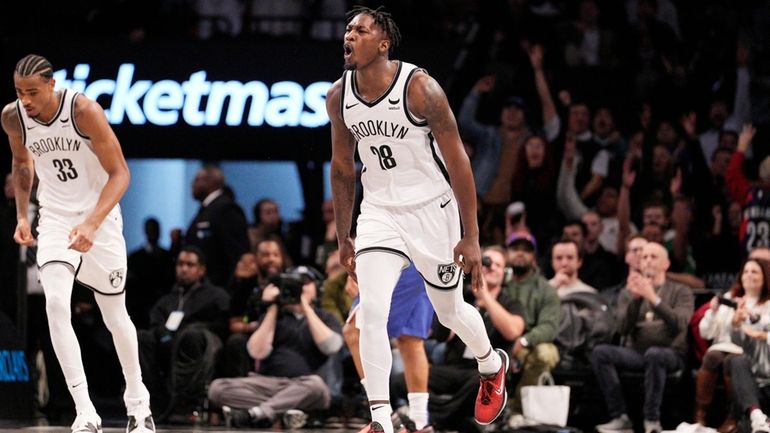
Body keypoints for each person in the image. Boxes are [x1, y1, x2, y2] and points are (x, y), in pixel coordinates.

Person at [326, 7, 509, 433]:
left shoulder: (421, 88)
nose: (349, 36)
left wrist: (471, 236)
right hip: (379, 212)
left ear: (383, 43)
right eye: (348, 29)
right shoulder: (339, 95)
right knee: (371, 312)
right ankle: (380, 421)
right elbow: (341, 168)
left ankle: (490, 363)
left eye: (360, 30)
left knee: (450, 312)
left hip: (433, 209)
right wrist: (344, 234)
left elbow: (459, 161)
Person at [1, 54, 154, 432]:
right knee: (55, 304)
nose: (26, 100)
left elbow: (120, 174)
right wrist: (23, 214)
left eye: (33, 92)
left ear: (52, 85)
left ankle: (138, 403)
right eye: (20, 92)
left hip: (98, 215)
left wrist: (92, 222)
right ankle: (85, 411)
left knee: (115, 317)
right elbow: (22, 165)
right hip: (54, 217)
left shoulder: (83, 110)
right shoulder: (13, 116)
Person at [392, 246, 524, 432]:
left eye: (498, 264)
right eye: (487, 262)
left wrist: (485, 297)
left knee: (477, 383)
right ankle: (452, 419)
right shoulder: (465, 297)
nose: (491, 267)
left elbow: (513, 330)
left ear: (506, 273)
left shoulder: (511, 302)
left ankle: (431, 419)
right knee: (400, 380)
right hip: (454, 367)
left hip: (483, 372)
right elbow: (441, 335)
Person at [207, 267, 343, 428]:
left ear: (317, 288)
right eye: (293, 284)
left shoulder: (326, 317)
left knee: (318, 388)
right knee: (217, 389)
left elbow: (331, 347)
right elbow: (257, 351)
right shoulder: (273, 316)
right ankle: (283, 411)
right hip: (266, 384)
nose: (299, 288)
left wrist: (306, 307)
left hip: (304, 385)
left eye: (304, 284)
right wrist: (271, 307)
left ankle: (255, 413)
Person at [591, 242, 694, 433]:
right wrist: (636, 300)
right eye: (645, 257)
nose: (647, 261)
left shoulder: (681, 291)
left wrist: (653, 299)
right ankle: (619, 417)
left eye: (653, 257)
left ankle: (651, 420)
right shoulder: (628, 293)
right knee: (601, 353)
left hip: (671, 353)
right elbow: (622, 329)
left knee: (655, 354)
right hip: (637, 352)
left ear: (666, 264)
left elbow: (679, 324)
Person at [137, 245, 229, 420]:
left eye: (190, 264)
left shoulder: (216, 296)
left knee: (191, 337)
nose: (184, 269)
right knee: (142, 337)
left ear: (201, 270)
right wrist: (162, 333)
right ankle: (154, 402)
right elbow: (155, 322)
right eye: (180, 264)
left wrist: (187, 329)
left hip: (198, 343)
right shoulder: (167, 299)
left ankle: (185, 404)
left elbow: (221, 325)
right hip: (167, 344)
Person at [344, 262, 434, 432]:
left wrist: (358, 264)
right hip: (427, 254)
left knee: (356, 329)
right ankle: (420, 423)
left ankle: (385, 417)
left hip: (397, 254)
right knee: (410, 338)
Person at [502, 232, 561, 427]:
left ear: (534, 256)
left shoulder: (545, 289)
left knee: (546, 353)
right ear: (507, 253)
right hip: (498, 339)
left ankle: (517, 409)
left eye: (526, 250)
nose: (520, 254)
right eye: (515, 249)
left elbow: (550, 326)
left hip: (528, 343)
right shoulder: (499, 282)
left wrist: (524, 340)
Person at [184, 165, 249, 287]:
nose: (192, 185)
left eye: (197, 180)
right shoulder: (207, 209)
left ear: (211, 182)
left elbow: (235, 255)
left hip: (217, 289)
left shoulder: (226, 209)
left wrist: (227, 293)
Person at [726, 258, 770, 433]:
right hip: (757, 387)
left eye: (755, 271)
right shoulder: (738, 303)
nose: (749, 276)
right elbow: (739, 343)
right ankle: (757, 416)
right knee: (737, 361)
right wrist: (736, 323)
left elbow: (762, 324)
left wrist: (761, 333)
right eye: (746, 271)